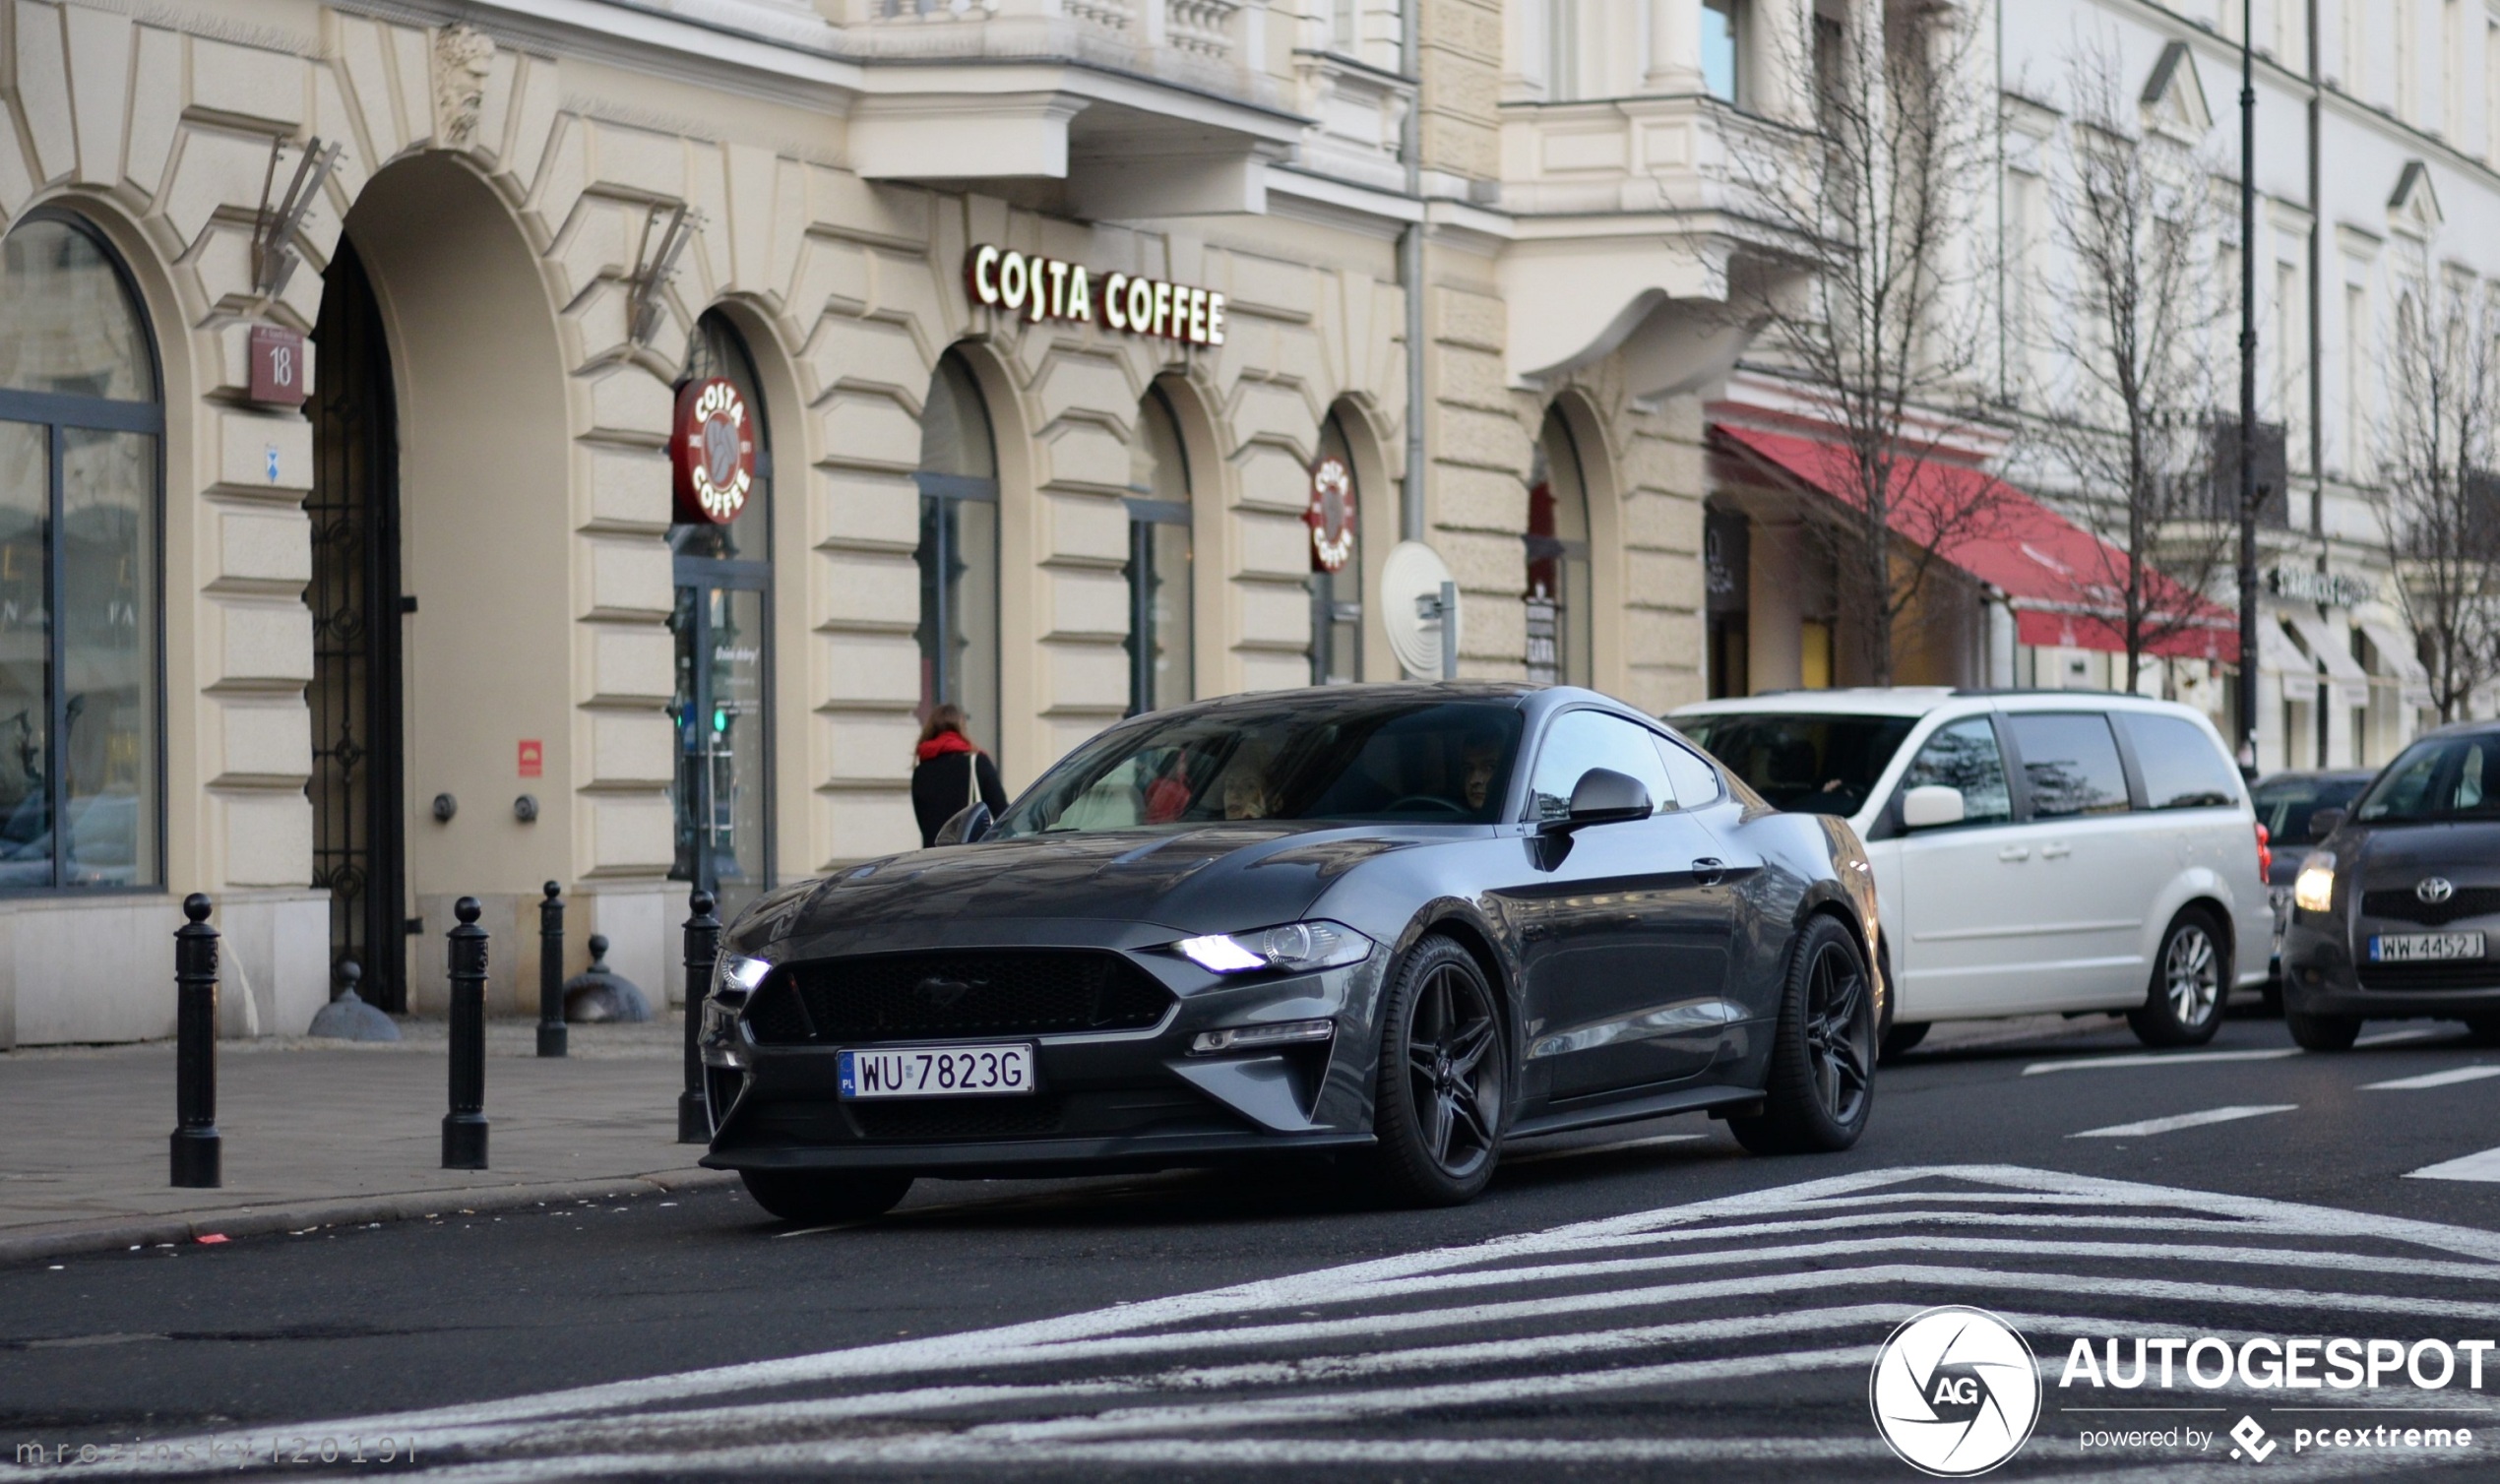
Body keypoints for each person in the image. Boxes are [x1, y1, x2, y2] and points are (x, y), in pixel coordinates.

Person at [910, 705, 1009, 848]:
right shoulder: (976, 762)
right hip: (968, 857)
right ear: (962, 727)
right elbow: (1002, 813)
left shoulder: (921, 771)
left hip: (932, 858)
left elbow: (923, 823)